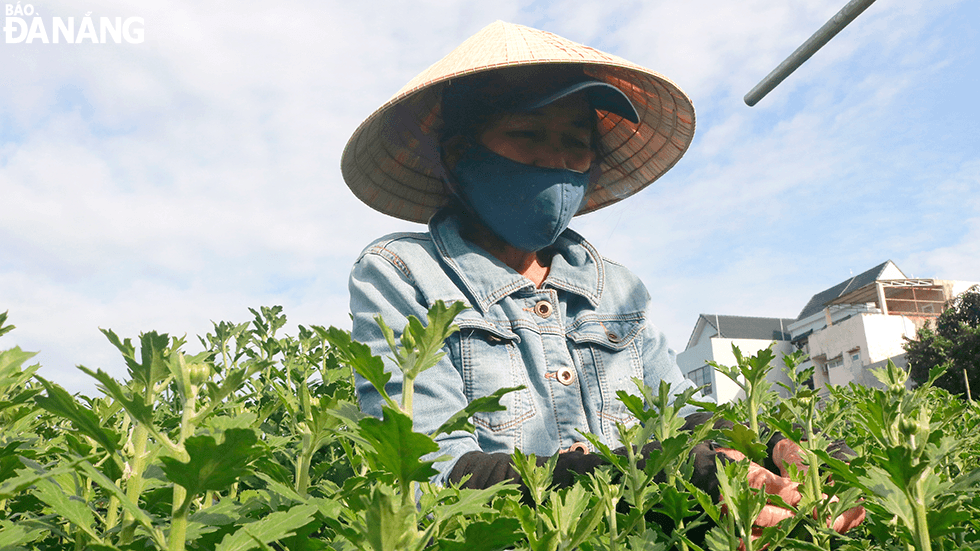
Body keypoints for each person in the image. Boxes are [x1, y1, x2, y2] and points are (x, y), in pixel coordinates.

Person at [341, 21, 863, 534]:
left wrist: (777, 443)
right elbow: (428, 475)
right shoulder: (402, 274)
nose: (557, 159)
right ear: (460, 154)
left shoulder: (614, 288)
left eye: (576, 140)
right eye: (527, 134)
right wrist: (646, 472)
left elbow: (678, 412)